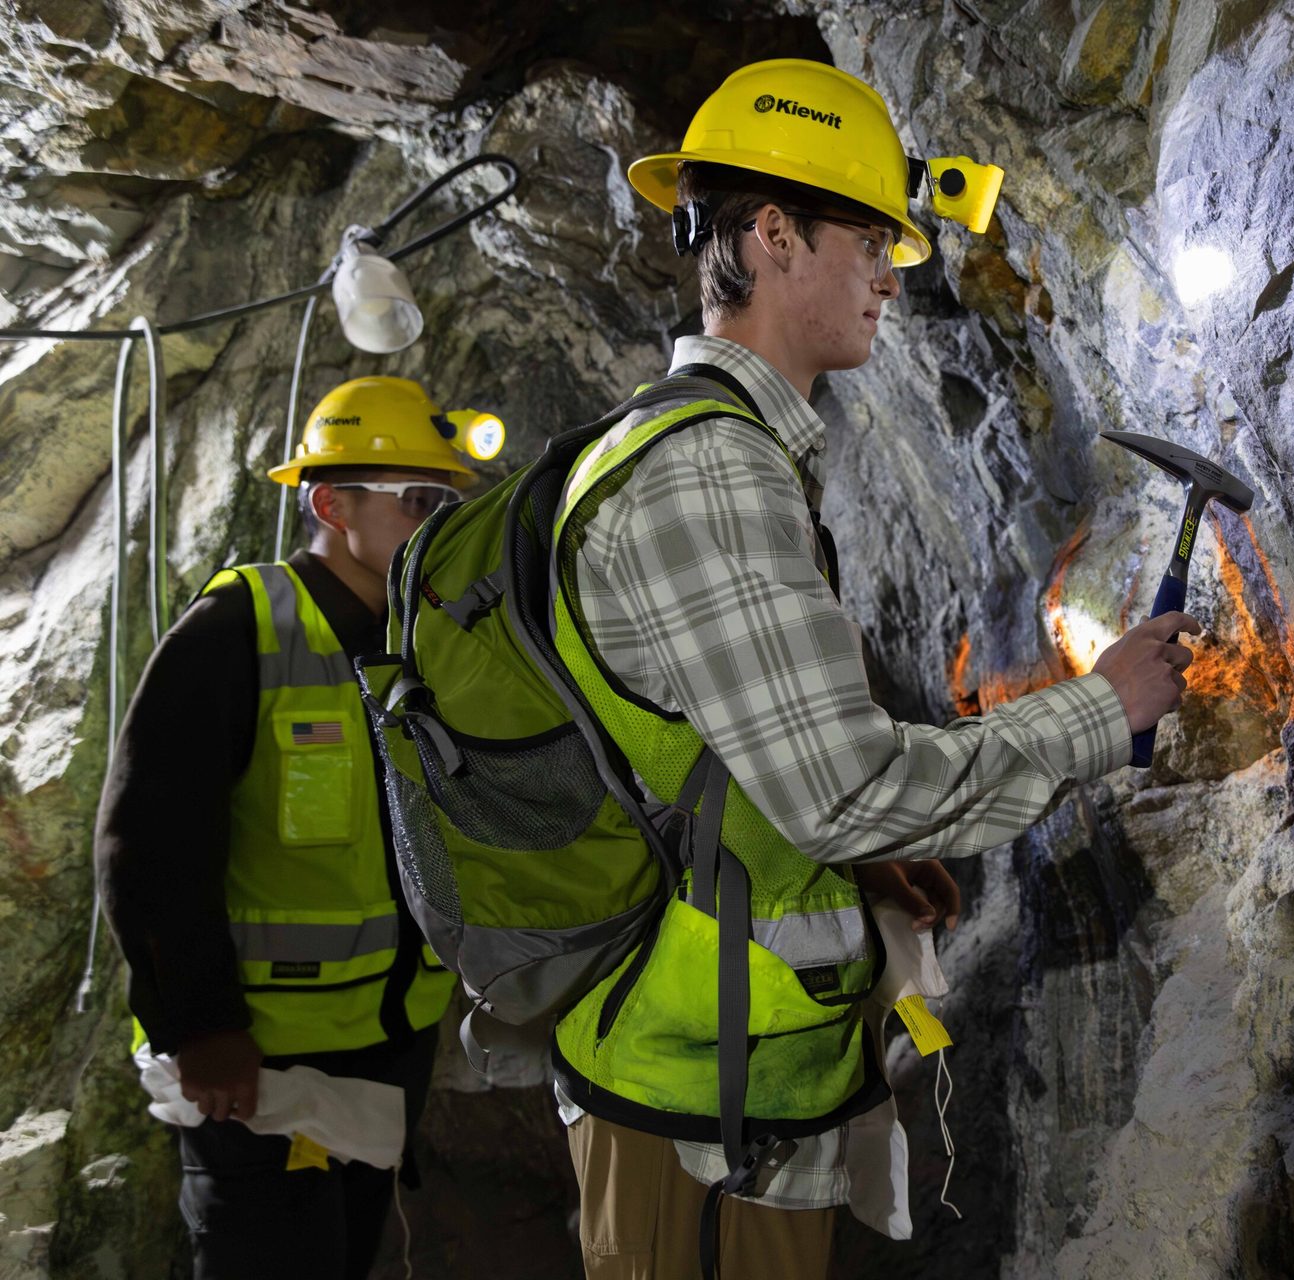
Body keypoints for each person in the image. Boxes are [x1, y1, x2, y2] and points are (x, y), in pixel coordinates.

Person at [550, 59, 1196, 1279]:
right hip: (698, 1117)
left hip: (740, 1081)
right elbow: (838, 783)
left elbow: (733, 764)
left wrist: (857, 867)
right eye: (870, 239)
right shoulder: (709, 473)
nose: (896, 273)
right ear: (775, 235)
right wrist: (1096, 711)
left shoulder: (735, 453)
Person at [94, 375, 494, 1278]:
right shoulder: (239, 628)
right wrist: (202, 1028)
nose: (438, 526)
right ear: (329, 503)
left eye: (449, 505)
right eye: (417, 501)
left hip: (383, 1049)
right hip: (256, 1070)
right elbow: (145, 845)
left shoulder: (424, 646)